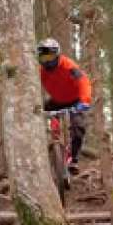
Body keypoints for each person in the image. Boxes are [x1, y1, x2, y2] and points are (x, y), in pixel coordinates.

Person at [36, 38, 92, 171]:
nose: (47, 61)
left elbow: (83, 81)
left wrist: (84, 101)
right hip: (56, 101)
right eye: (44, 58)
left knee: (78, 127)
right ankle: (54, 141)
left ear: (57, 55)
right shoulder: (40, 71)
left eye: (49, 56)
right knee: (39, 112)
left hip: (75, 100)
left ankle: (74, 159)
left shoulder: (68, 66)